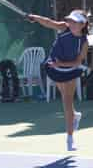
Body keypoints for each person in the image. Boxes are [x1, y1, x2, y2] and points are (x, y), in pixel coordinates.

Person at [28, 10, 89, 151]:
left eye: (75, 22)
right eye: (70, 21)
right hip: (54, 67)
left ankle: (70, 138)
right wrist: (35, 17)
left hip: (70, 69)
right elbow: (48, 22)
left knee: (67, 102)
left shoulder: (84, 42)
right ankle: (75, 115)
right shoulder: (64, 27)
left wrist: (60, 64)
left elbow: (77, 62)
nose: (71, 24)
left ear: (82, 24)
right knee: (64, 97)